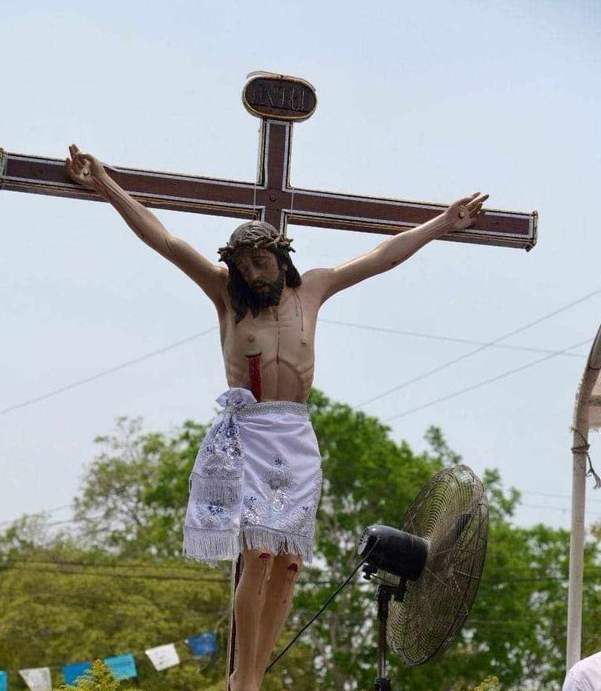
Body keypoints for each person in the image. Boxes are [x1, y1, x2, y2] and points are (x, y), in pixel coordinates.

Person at [65, 144, 488, 691]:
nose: (250, 272)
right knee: (257, 553)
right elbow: (164, 239)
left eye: (259, 262)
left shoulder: (311, 289)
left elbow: (382, 255)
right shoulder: (226, 297)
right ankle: (244, 679)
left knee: (288, 561)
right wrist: (105, 184)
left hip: (297, 434)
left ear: (280, 256)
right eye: (241, 265)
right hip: (250, 434)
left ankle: (257, 674)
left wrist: (441, 224)